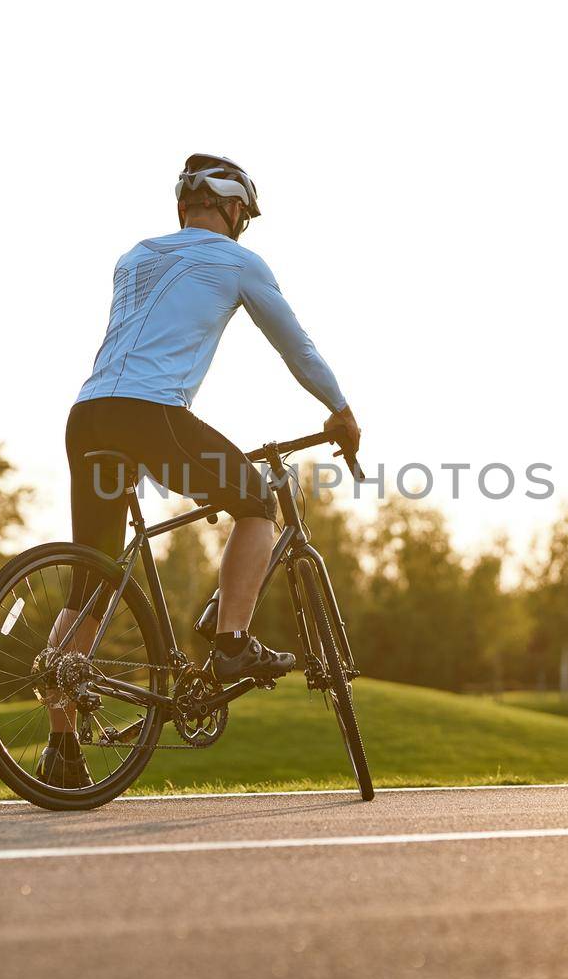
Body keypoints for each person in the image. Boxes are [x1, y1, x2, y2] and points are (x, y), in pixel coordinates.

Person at [38, 154, 360, 787]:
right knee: (255, 499)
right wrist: (340, 411)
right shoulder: (238, 261)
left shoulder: (135, 255)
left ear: (184, 204)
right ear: (235, 209)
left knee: (92, 580)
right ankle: (232, 640)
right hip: (149, 414)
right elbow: (297, 347)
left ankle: (61, 747)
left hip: (88, 415)